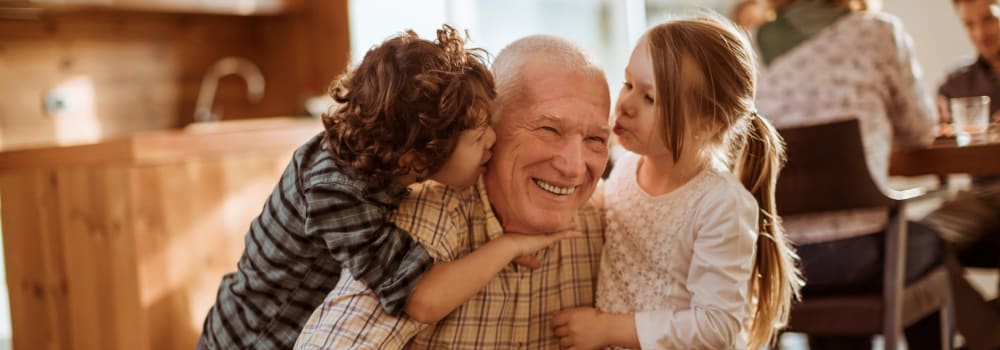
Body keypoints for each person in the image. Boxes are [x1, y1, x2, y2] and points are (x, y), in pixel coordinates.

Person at [295, 35, 612, 350]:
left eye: (596, 140)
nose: (573, 168)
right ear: (491, 128)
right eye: (549, 130)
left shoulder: (611, 222)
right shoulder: (428, 213)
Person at [199, 25, 502, 349]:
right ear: (416, 156)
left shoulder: (381, 160)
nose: (493, 141)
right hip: (251, 341)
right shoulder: (337, 191)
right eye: (478, 137)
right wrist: (510, 246)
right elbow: (422, 296)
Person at [548, 15, 801, 350]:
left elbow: (716, 325)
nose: (625, 104)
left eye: (649, 98)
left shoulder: (721, 204)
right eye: (628, 84)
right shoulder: (625, 169)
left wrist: (609, 329)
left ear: (708, 122)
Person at [755, 0, 945, 348]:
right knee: (933, 242)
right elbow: (919, 130)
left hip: (780, 260)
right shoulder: (878, 32)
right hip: (861, 257)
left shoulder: (750, 45)